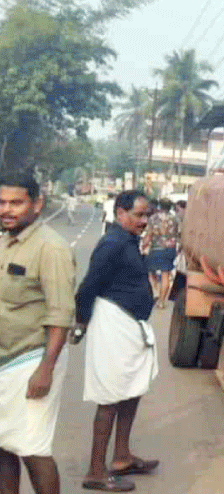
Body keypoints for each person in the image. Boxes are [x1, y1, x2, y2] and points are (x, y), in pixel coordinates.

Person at [76, 190, 158, 492]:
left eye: (147, 215)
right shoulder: (111, 243)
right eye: (138, 215)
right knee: (110, 397)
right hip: (113, 323)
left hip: (131, 325)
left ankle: (121, 456)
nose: (144, 221)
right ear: (120, 213)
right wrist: (81, 322)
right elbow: (88, 286)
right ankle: (96, 471)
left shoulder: (128, 241)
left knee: (132, 390)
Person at [0, 172, 76, 494]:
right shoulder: (5, 241)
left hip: (32, 358)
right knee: (3, 443)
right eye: (2, 202)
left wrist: (45, 369)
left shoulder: (51, 248)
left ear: (37, 204)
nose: (7, 209)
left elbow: (61, 314)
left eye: (16, 202)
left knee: (33, 449)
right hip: (4, 360)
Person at [143, 199, 178, 309]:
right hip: (170, 249)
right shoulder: (175, 219)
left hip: (156, 248)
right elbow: (179, 234)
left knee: (150, 271)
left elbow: (149, 234)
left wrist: (144, 244)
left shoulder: (153, 218)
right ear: (170, 207)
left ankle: (156, 291)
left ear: (159, 206)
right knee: (165, 275)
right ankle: (162, 302)